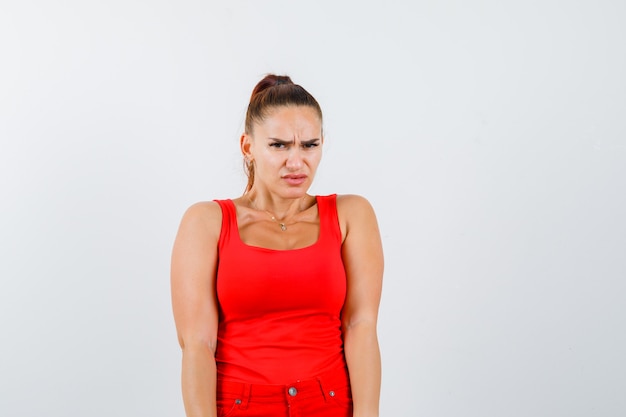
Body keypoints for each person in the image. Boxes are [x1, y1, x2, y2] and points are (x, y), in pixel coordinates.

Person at [170, 74, 384, 417]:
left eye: (309, 145)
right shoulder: (206, 222)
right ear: (248, 147)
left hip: (330, 404)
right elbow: (197, 344)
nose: (296, 162)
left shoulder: (351, 215)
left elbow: (360, 325)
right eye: (279, 145)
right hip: (239, 407)